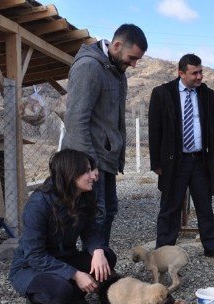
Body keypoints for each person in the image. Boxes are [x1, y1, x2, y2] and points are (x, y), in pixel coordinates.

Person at [8, 150, 117, 304]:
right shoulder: (39, 204)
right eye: (87, 171)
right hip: (31, 266)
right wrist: (74, 274)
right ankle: (34, 301)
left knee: (107, 258)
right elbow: (34, 255)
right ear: (70, 174)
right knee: (60, 289)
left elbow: (91, 231)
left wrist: (97, 251)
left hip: (64, 256)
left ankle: (74, 299)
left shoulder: (84, 194)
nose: (94, 175)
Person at [63, 23, 147, 247]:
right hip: (90, 161)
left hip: (105, 160)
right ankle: (91, 271)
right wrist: (88, 166)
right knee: (95, 215)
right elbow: (76, 120)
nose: (134, 64)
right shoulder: (89, 67)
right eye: (132, 58)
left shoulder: (116, 72)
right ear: (117, 45)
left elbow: (114, 121)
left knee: (108, 211)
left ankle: (100, 267)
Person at [149, 53, 214, 259]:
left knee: (205, 206)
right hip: (174, 162)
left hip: (200, 160)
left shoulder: (209, 96)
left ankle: (211, 248)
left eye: (201, 72)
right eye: (195, 73)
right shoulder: (162, 93)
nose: (200, 77)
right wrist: (156, 162)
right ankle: (164, 252)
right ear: (181, 73)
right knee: (170, 207)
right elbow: (154, 130)